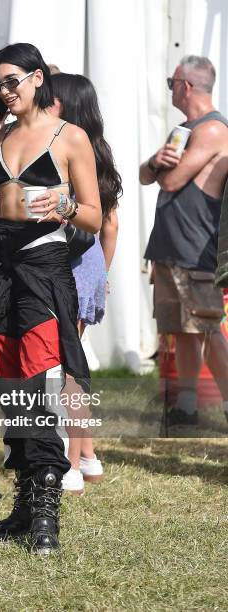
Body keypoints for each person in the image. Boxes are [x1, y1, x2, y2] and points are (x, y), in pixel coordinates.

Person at [0, 43, 102, 554]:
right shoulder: (0, 136)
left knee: (37, 386)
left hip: (43, 271)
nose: (4, 92)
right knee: (8, 389)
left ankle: (45, 518)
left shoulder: (70, 137)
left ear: (38, 79)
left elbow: (93, 216)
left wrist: (63, 203)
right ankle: (23, 507)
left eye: (12, 81)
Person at [140, 55, 228, 426]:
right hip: (172, 247)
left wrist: (159, 166)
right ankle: (187, 407)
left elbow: (171, 181)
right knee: (183, 330)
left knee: (206, 330)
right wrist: (158, 161)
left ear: (185, 85)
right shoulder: (185, 129)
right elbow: (146, 175)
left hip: (195, 249)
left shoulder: (211, 131)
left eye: (170, 81)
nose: (169, 88)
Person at [50, 72, 122, 494]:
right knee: (72, 363)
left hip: (71, 265)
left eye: (53, 99)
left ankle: (71, 465)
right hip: (90, 263)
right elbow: (110, 225)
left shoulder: (69, 151)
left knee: (66, 371)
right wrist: (102, 274)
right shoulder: (99, 151)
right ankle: (88, 457)